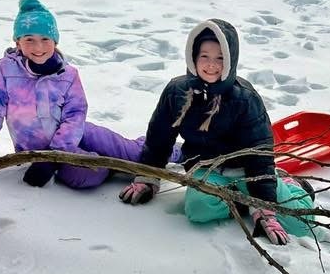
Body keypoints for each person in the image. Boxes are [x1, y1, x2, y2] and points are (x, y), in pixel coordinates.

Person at [118, 18, 314, 245]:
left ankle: (289, 185)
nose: (211, 64)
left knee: (301, 225)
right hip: (205, 168)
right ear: (193, 57)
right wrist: (148, 176)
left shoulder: (245, 99)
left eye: (220, 58)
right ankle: (240, 200)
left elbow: (259, 153)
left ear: (230, 60)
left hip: (247, 171)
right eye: (205, 56)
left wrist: (263, 205)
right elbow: (159, 137)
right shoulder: (177, 92)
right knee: (198, 210)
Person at [0, 0, 175, 188]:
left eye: (45, 38)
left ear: (55, 41)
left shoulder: (67, 74)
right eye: (29, 39)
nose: (38, 46)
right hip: (38, 152)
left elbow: (75, 113)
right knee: (87, 177)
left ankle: (180, 152)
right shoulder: (3, 71)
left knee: (134, 153)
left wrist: (54, 155)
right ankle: (114, 166)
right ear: (18, 42)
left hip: (79, 132)